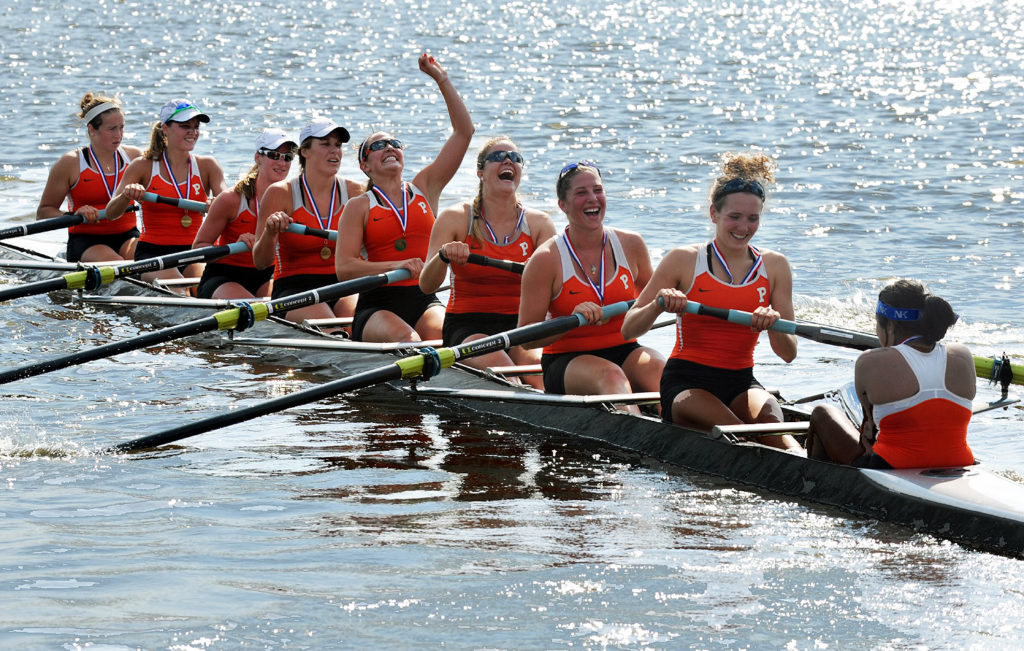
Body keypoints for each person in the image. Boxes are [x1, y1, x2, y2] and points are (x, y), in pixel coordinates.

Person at [621, 151, 799, 450]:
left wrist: (774, 325)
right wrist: (658, 304)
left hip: (742, 381)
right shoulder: (684, 260)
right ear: (714, 214)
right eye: (734, 217)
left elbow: (789, 353)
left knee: (778, 435)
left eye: (752, 219)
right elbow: (629, 329)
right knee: (739, 438)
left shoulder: (776, 266)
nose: (743, 227)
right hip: (687, 383)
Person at [335, 53, 473, 343]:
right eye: (378, 145)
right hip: (377, 304)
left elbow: (464, 132)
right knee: (409, 340)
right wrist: (394, 266)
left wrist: (441, 79)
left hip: (423, 298)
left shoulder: (426, 187)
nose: (389, 147)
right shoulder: (358, 205)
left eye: (394, 144)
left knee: (452, 338)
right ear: (365, 166)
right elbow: (344, 269)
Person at [517, 161, 664, 412]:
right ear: (562, 205)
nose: (592, 198)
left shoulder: (631, 245)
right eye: (581, 193)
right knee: (612, 376)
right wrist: (572, 318)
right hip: (567, 360)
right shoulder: (545, 259)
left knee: (664, 373)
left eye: (597, 190)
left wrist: (663, 303)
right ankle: (635, 436)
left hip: (626, 349)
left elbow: (647, 304)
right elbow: (527, 338)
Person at [419, 137, 556, 387]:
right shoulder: (456, 218)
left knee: (541, 375)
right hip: (468, 326)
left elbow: (558, 288)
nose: (508, 161)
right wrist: (443, 256)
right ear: (480, 172)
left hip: (522, 325)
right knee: (508, 377)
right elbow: (427, 286)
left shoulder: (539, 224)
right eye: (498, 157)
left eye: (515, 158)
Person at [805, 279, 974, 468]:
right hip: (960, 461)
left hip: (890, 465)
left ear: (890, 326)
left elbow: (868, 433)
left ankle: (815, 479)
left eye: (877, 323)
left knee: (822, 412)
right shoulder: (962, 354)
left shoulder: (870, 361)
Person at [253, 119, 364, 330]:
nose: (335, 151)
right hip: (295, 290)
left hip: (342, 285)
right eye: (325, 144)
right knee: (332, 329)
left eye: (338, 145)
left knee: (357, 325)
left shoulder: (355, 192)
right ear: (305, 151)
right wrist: (270, 232)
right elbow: (260, 261)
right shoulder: (280, 193)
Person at [106, 98, 227, 288]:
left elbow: (231, 208)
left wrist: (219, 205)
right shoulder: (143, 166)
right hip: (152, 253)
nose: (193, 132)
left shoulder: (208, 166)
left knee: (203, 286)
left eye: (196, 127)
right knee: (179, 287)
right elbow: (111, 213)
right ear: (165, 129)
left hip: (194, 250)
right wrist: (126, 196)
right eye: (185, 126)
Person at [36, 93, 143, 262]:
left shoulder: (135, 156)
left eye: (121, 127)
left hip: (128, 236)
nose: (119, 135)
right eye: (111, 129)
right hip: (87, 240)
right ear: (92, 130)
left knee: (150, 261)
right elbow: (43, 213)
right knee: (121, 265)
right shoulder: (70, 163)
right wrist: (73, 215)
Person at [192, 129, 297, 300]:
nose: (282, 163)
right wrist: (233, 247)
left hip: (267, 276)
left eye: (287, 157)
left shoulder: (293, 199)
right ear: (258, 157)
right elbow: (197, 248)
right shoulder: (231, 199)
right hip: (224, 276)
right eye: (274, 155)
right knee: (255, 311)